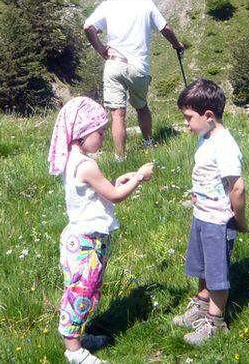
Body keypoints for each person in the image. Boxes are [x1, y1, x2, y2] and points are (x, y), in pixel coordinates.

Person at [48, 96, 154, 364]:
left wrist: (118, 181)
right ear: (83, 132)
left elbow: (103, 191)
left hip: (82, 237)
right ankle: (74, 350)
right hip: (87, 241)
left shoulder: (73, 159)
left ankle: (79, 337)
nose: (103, 138)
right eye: (100, 132)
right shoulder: (86, 165)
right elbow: (116, 196)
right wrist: (139, 177)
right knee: (81, 292)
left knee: (87, 290)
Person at [173, 79, 248, 345]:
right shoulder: (206, 137)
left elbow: (237, 188)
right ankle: (202, 305)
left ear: (208, 116)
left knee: (217, 272)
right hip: (202, 215)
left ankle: (216, 322)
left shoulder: (226, 145)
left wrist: (238, 220)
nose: (186, 123)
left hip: (219, 220)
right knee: (202, 266)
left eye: (188, 118)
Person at [83, 0, 184, 161]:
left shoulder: (108, 5)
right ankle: (148, 145)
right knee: (141, 107)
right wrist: (177, 45)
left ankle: (120, 158)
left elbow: (88, 27)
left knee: (117, 114)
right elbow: (165, 28)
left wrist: (101, 49)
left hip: (114, 62)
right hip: (138, 66)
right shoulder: (145, 3)